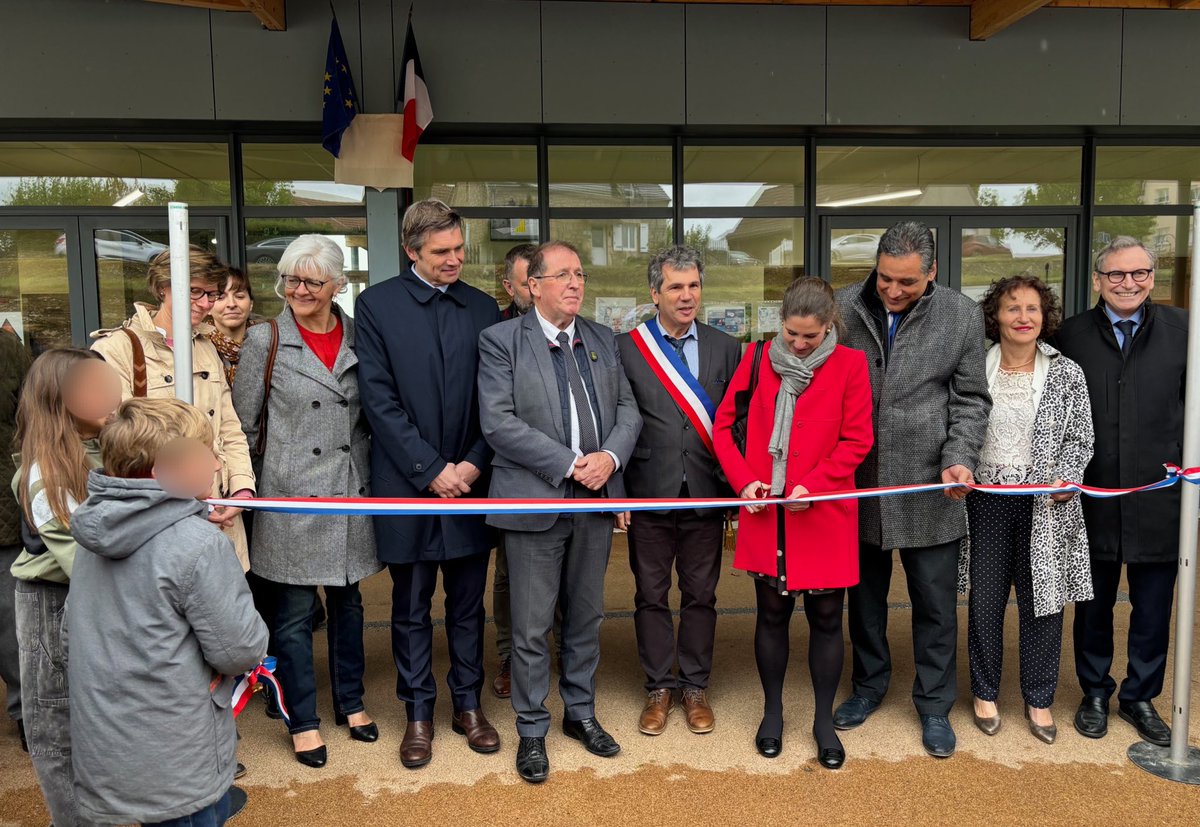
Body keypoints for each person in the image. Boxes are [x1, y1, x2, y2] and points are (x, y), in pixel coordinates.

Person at [478, 240, 643, 784]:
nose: (576, 283)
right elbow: (500, 424)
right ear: (534, 286)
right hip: (535, 500)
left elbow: (626, 410)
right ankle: (531, 730)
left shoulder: (601, 338)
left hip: (594, 504)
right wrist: (574, 464)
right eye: (563, 275)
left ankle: (580, 714)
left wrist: (611, 459)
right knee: (529, 626)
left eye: (580, 274)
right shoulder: (501, 341)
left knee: (586, 617)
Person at [66, 397, 268, 827]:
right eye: (204, 455)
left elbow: (73, 629)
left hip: (106, 740)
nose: (217, 466)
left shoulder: (94, 529)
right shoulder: (197, 544)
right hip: (178, 748)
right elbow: (239, 649)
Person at [832, 221, 991, 758]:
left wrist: (959, 460)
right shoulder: (843, 305)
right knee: (866, 601)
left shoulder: (962, 315)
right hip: (860, 483)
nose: (894, 291)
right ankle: (869, 686)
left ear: (932, 272)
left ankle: (934, 705)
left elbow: (971, 399)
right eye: (885, 279)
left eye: (907, 282)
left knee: (935, 607)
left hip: (932, 486)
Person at [355, 199, 502, 769]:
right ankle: (418, 712)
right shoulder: (377, 305)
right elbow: (378, 398)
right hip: (407, 484)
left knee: (468, 606)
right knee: (411, 606)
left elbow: (498, 399)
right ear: (412, 251)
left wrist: (470, 464)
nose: (455, 260)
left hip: (470, 482)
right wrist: (429, 469)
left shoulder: (483, 307)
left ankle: (468, 705)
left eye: (460, 249)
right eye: (442, 252)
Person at [233, 234, 381, 768]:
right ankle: (303, 719)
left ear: (338, 285)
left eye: (311, 281)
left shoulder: (362, 337)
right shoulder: (265, 339)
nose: (298, 289)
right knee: (293, 614)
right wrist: (249, 495)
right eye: (290, 279)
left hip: (347, 492)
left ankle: (352, 702)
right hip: (290, 496)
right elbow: (243, 426)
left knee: (349, 605)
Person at [713, 277, 872, 768]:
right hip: (766, 509)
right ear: (779, 324)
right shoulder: (758, 359)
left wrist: (816, 485)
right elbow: (723, 427)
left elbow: (857, 439)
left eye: (810, 336)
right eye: (791, 334)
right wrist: (743, 482)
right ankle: (773, 713)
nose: (799, 344)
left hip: (823, 510)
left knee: (827, 619)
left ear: (830, 326)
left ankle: (824, 721)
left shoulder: (850, 364)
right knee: (772, 615)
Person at [1051, 236, 1187, 748]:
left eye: (1139, 273)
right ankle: (1093, 691)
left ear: (1152, 276)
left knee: (1154, 607)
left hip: (1161, 499)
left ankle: (1139, 697)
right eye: (1116, 274)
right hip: (1093, 496)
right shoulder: (1071, 336)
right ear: (1097, 280)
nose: (1128, 283)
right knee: (1094, 603)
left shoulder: (1184, 332)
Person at [961, 276, 1094, 745]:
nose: (1023, 317)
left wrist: (1068, 476)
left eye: (1032, 308)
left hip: (1045, 507)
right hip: (986, 503)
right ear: (995, 316)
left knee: (1044, 605)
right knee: (985, 602)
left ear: (1045, 316)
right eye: (1012, 308)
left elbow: (1081, 437)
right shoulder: (975, 366)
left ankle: (1039, 699)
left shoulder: (1066, 373)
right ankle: (984, 693)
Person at [615, 245, 740, 736]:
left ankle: (694, 686)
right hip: (648, 490)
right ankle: (658, 687)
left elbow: (734, 423)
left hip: (705, 493)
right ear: (655, 292)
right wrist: (617, 495)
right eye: (675, 287)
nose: (687, 296)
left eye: (693, 286)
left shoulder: (725, 347)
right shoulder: (627, 347)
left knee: (702, 594)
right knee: (649, 593)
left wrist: (734, 488)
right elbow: (617, 422)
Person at [90, 246, 255, 571]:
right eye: (195, 291)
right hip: (155, 516)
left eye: (212, 294)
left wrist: (241, 489)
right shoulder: (116, 348)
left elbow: (229, 428)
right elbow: (121, 441)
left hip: (219, 511)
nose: (206, 303)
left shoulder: (206, 346)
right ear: (163, 287)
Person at [11, 348, 122, 825]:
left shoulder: (110, 446)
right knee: (59, 730)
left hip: (105, 602)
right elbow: (89, 563)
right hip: (53, 606)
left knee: (105, 726)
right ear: (60, 399)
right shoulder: (46, 474)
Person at [490, 241, 562, 698]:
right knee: (509, 576)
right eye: (523, 283)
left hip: (568, 483)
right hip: (513, 474)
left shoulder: (574, 334)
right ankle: (508, 656)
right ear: (516, 286)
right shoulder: (496, 334)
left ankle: (557, 658)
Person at [0, 327, 32, 752]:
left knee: (11, 619)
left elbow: (31, 418)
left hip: (3, 510)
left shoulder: (7, 348)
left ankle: (28, 711)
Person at [207, 265, 261, 386]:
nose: (231, 304)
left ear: (251, 304)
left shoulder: (268, 343)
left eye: (239, 296)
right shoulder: (197, 348)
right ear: (208, 306)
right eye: (220, 297)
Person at [500, 242, 537, 321]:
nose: (537, 292)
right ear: (509, 288)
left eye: (542, 282)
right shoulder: (497, 326)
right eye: (528, 285)